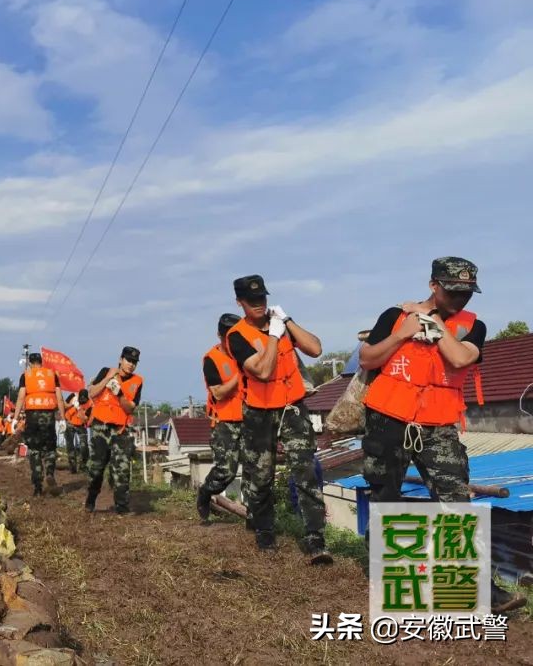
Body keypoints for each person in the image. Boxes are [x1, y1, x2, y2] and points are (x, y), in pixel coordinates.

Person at [359, 257, 525, 613]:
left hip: (438, 426)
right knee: (385, 497)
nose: (460, 300)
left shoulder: (473, 326)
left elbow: (461, 359)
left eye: (466, 293)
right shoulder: (394, 316)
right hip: (388, 419)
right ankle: (383, 573)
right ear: (434, 284)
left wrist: (433, 322)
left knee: (455, 502)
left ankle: (483, 591)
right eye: (453, 291)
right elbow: (368, 359)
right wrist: (402, 333)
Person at [224, 275, 331, 563]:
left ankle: (315, 538)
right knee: (261, 476)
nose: (259, 305)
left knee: (306, 470)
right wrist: (273, 336)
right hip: (259, 411)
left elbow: (315, 349)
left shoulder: (281, 323)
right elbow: (262, 371)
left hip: (292, 407)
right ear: (240, 302)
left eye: (263, 300)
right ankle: (265, 530)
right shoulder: (236, 335)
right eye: (252, 301)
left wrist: (288, 322)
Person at [196, 313, 245, 524]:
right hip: (224, 422)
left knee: (255, 469)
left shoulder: (245, 353)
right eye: (227, 336)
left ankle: (256, 518)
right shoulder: (211, 358)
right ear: (219, 335)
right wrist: (240, 375)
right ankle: (206, 493)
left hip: (249, 419)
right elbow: (218, 393)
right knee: (227, 471)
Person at [84, 346, 143, 514]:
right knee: (96, 469)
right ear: (121, 359)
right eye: (128, 360)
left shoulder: (137, 381)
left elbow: (131, 408)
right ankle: (91, 498)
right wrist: (107, 380)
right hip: (100, 427)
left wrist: (120, 394)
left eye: (134, 362)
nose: (131, 364)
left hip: (120, 429)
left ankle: (122, 508)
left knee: (122, 469)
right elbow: (92, 393)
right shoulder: (106, 371)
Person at [15, 352, 66, 496]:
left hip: (32, 417)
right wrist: (62, 418)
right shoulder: (52, 375)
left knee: (34, 450)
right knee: (49, 448)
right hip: (49, 416)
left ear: (30, 363)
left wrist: (15, 417)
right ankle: (49, 473)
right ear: (41, 362)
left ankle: (37, 485)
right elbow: (60, 398)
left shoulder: (26, 376)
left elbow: (20, 397)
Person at [63, 388, 90, 474]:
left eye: (84, 400)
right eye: (81, 399)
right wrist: (73, 406)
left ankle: (83, 466)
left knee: (84, 447)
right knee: (70, 446)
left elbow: (88, 418)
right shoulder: (72, 396)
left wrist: (82, 414)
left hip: (81, 425)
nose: (82, 401)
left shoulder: (90, 403)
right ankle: (72, 466)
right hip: (70, 423)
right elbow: (64, 407)